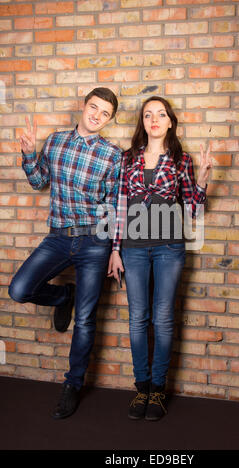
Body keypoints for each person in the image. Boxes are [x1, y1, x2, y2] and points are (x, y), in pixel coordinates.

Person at [9, 87, 122, 419]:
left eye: (105, 113)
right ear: (83, 106)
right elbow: (39, 181)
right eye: (93, 108)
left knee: (86, 320)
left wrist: (114, 249)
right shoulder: (56, 141)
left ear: (110, 119)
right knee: (19, 289)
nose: (97, 116)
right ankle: (63, 296)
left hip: (94, 243)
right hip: (58, 237)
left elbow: (116, 206)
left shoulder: (113, 154)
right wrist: (30, 154)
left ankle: (73, 384)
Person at [108, 96, 212, 421]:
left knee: (163, 318)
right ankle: (141, 388)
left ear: (170, 122)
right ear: (143, 122)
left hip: (169, 247)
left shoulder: (182, 160)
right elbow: (120, 207)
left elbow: (193, 209)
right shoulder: (128, 159)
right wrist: (115, 248)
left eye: (161, 114)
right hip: (135, 249)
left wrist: (204, 178)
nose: (154, 119)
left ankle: (158, 390)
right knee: (138, 317)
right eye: (148, 114)